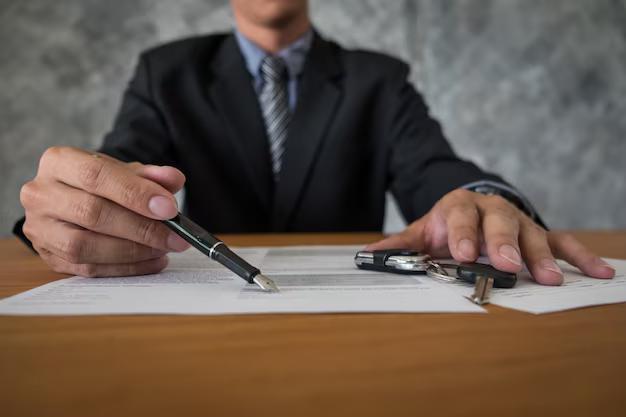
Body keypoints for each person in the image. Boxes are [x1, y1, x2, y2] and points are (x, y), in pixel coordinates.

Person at [16, 0, 615, 284]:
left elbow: (437, 171)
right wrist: (70, 209)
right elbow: (116, 168)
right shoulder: (163, 72)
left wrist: (482, 200)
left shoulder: (378, 79)